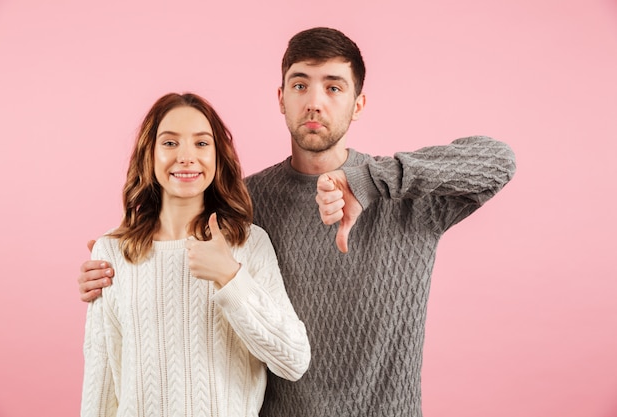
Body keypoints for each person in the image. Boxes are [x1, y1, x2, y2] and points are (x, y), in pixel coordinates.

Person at [78, 28, 516, 417]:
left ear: (358, 103)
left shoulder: (404, 196)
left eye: (334, 87)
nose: (314, 102)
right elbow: (173, 224)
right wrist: (116, 260)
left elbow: (497, 161)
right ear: (281, 97)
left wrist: (370, 181)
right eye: (301, 84)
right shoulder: (244, 203)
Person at [80, 92, 310, 417]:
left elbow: (293, 359)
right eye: (170, 143)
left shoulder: (248, 243)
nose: (187, 157)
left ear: (218, 156)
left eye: (201, 143)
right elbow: (100, 383)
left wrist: (230, 278)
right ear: (150, 153)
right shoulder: (113, 252)